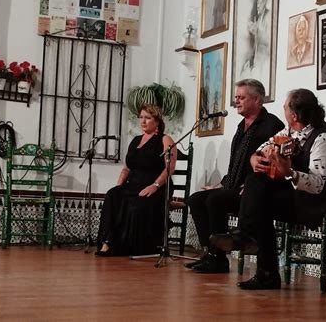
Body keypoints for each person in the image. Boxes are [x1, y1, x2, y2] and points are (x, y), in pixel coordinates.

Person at [210, 88, 326, 289]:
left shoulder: (323, 140)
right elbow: (263, 147)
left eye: (284, 108)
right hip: (298, 196)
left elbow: (317, 186)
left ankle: (256, 253)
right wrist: (255, 156)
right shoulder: (290, 131)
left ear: (294, 115)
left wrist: (290, 172)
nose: (282, 110)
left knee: (260, 200)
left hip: (319, 202)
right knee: (257, 184)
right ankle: (258, 257)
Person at [185, 79, 284, 273]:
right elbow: (236, 164)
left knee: (215, 200)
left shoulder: (271, 125)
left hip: (255, 191)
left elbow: (275, 164)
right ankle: (211, 253)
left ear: (256, 99)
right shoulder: (241, 127)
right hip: (234, 187)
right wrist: (223, 183)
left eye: (241, 97)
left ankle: (219, 258)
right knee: (196, 199)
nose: (236, 101)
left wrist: (253, 186)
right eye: (236, 98)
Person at [95, 104, 177, 256]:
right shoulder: (135, 140)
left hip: (157, 185)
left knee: (138, 204)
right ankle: (108, 242)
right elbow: (127, 168)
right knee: (112, 195)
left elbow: (170, 168)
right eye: (141, 117)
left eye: (148, 118)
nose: (143, 121)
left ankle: (132, 247)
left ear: (157, 121)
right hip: (133, 184)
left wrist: (155, 185)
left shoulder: (165, 139)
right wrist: (118, 187)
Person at [240, 0, 270, 80]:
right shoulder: (256, 18)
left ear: (265, 0)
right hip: (256, 60)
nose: (259, 2)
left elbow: (269, 41)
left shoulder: (268, 16)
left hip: (264, 60)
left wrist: (257, 31)